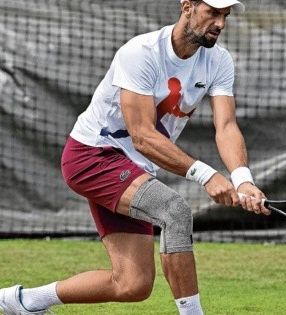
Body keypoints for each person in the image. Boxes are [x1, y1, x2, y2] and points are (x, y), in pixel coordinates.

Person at [0, 0, 270, 314]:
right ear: (187, 6)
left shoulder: (219, 61)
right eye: (212, 12)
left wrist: (243, 179)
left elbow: (226, 126)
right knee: (175, 210)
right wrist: (206, 175)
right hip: (93, 156)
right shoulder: (140, 52)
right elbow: (141, 135)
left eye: (225, 15)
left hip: (132, 167)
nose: (220, 23)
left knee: (132, 284)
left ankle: (22, 301)